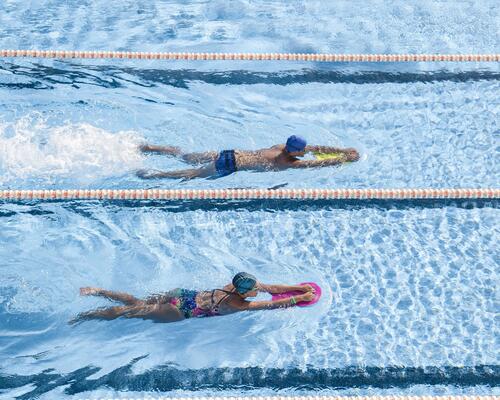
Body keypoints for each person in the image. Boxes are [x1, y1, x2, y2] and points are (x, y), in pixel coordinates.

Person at [71, 272, 316, 324]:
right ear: (244, 292)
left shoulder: (233, 285)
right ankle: (86, 316)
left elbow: (271, 287)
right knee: (130, 311)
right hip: (181, 311)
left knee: (136, 301)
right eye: (253, 290)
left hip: (182, 295)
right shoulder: (238, 303)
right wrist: (298, 298)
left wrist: (298, 287)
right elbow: (271, 303)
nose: (257, 290)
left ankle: (97, 290)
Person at [137, 135, 359, 179]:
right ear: (295, 152)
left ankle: (152, 148)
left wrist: (342, 150)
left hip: (231, 152)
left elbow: (314, 147)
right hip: (230, 163)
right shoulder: (287, 162)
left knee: (186, 156)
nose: (304, 152)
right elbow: (314, 163)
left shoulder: (282, 146)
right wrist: (341, 159)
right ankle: (156, 175)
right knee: (192, 174)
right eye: (301, 151)